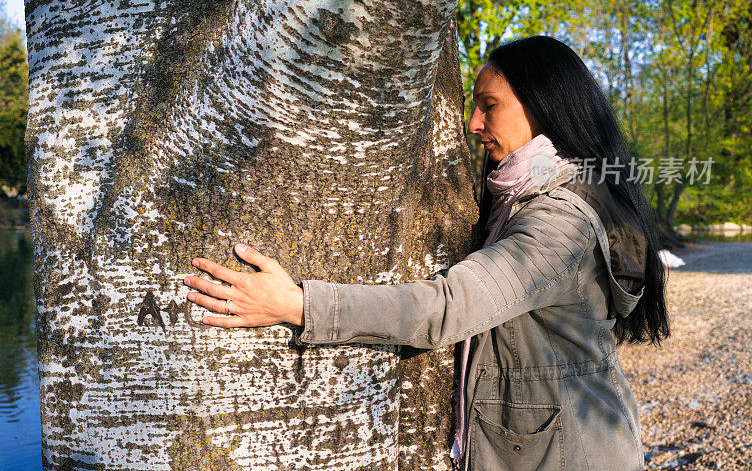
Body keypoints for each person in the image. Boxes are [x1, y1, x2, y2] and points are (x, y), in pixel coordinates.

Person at [184, 36, 669, 471]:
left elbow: (448, 307)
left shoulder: (560, 224)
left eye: (489, 105)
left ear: (541, 108)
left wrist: (298, 305)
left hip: (572, 455)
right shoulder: (529, 194)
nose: (474, 122)